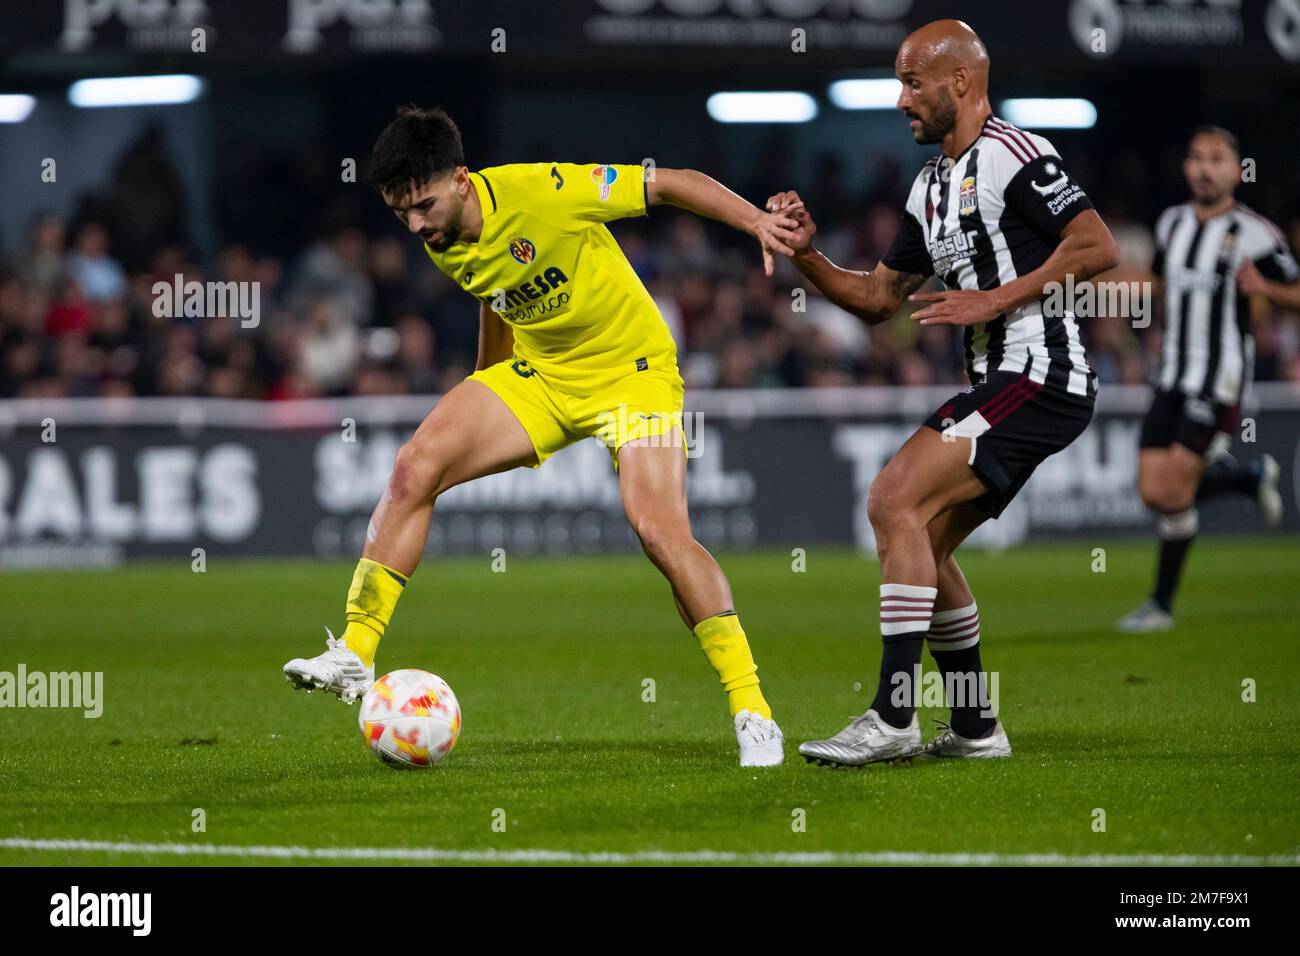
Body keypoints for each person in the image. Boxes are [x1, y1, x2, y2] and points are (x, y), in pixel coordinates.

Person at [284, 106, 801, 766]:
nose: (415, 225)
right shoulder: (439, 235)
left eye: (423, 205)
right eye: (400, 213)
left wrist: (755, 219)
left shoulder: (547, 191)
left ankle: (752, 708)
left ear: (463, 180)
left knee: (660, 534)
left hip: (630, 373)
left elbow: (667, 182)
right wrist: (485, 386)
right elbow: (495, 291)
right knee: (415, 467)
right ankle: (355, 653)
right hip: (543, 377)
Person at [768, 20, 1118, 764]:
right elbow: (876, 297)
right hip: (1004, 383)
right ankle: (974, 726)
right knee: (920, 541)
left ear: (961, 82)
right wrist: (807, 256)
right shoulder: (930, 186)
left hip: (1041, 376)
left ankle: (893, 715)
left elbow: (1095, 245)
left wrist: (997, 300)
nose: (902, 99)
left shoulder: (1014, 155)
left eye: (912, 82)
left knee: (892, 497)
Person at [1117, 126, 1292, 633]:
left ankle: (1160, 605)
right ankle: (1249, 477)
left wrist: (1267, 290)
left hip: (1219, 381)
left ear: (1236, 171)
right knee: (1152, 491)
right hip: (1169, 375)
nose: (1204, 167)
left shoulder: (1257, 233)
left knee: (1174, 489)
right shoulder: (1172, 223)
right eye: (1196, 157)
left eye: (1216, 159)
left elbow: (1294, 291)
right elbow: (1156, 282)